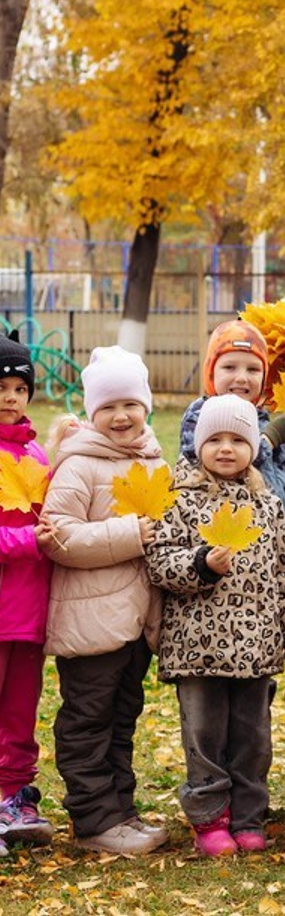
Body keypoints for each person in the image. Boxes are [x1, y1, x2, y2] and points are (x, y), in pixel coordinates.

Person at [146, 396, 285, 855]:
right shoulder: (180, 500)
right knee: (205, 735)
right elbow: (160, 561)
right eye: (214, 439)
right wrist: (201, 564)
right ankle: (210, 817)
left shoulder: (267, 504)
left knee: (252, 737)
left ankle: (250, 815)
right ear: (198, 446)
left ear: (254, 448)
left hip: (255, 646)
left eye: (237, 440)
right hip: (197, 645)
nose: (225, 448)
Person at [40, 346, 168, 855]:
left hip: (134, 620)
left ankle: (121, 811)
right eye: (109, 407)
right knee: (87, 721)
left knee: (122, 718)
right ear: (93, 413)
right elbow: (59, 538)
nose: (121, 416)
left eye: (131, 405)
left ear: (146, 406)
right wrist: (130, 533)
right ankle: (94, 820)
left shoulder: (151, 460)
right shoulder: (79, 466)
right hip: (89, 621)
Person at [0, 333, 54, 848]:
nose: (11, 396)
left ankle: (13, 797)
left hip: (30, 615)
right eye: (1, 386)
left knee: (21, 709)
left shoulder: (36, 453)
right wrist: (27, 541)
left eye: (19, 387)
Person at [178, 320, 285, 519]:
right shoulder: (200, 414)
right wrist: (268, 440)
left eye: (253, 370)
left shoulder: (264, 418)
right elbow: (209, 465)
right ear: (211, 373)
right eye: (230, 367)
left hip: (278, 530)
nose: (242, 378)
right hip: (230, 526)